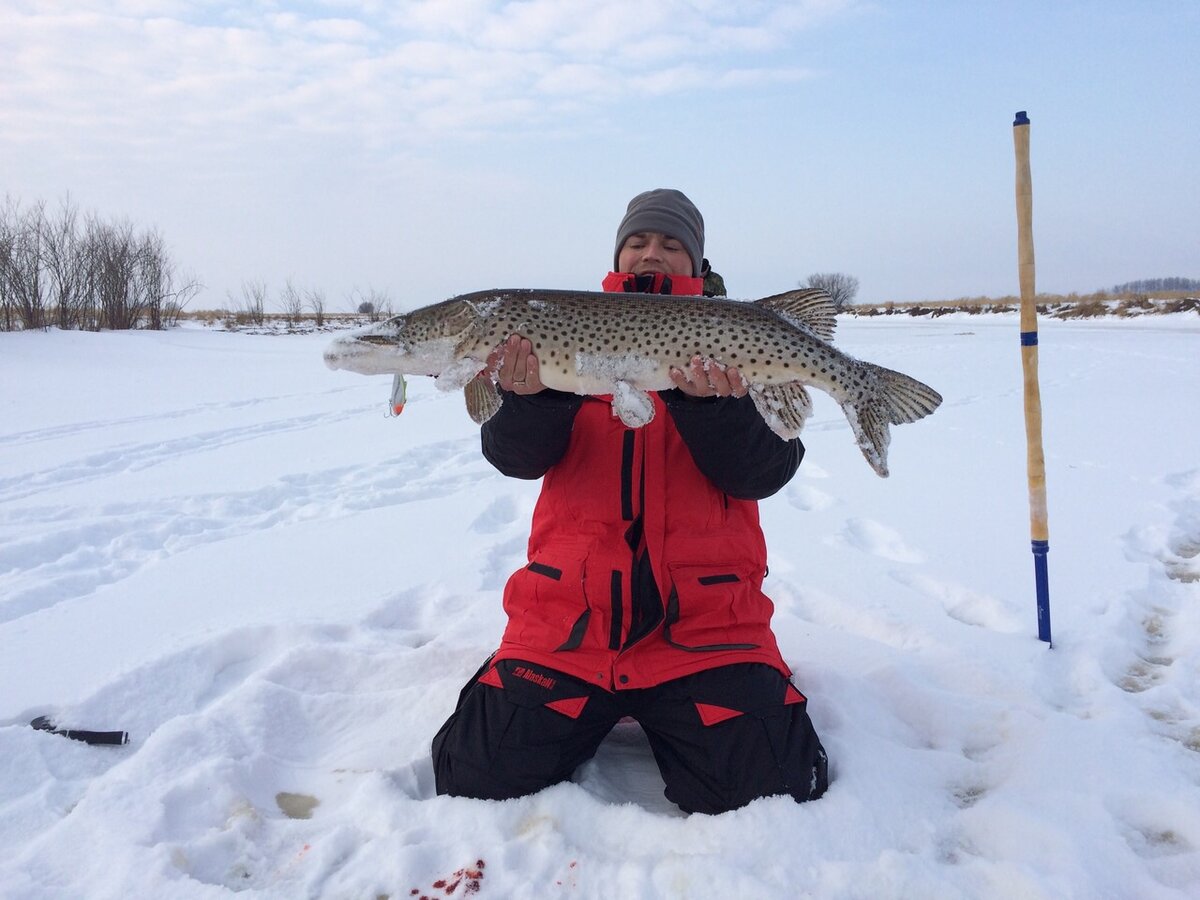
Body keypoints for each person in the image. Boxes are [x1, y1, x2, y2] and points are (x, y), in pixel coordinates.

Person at [431, 188, 828, 815]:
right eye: (639, 242)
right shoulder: (556, 334)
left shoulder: (731, 340)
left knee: (771, 786)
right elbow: (515, 461)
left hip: (708, 631)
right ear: (619, 252)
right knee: (473, 774)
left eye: (672, 245)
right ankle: (523, 683)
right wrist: (534, 397)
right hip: (569, 628)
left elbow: (763, 474)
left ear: (697, 264)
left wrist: (710, 407)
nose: (654, 254)